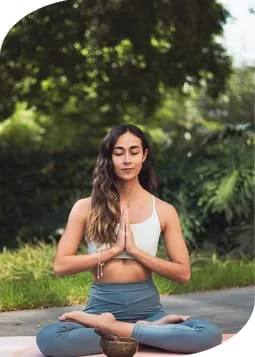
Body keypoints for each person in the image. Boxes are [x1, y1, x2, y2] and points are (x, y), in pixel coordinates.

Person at [36, 124, 222, 356]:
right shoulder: (85, 207)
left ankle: (114, 331)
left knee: (209, 334)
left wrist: (135, 251)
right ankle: (149, 335)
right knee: (50, 339)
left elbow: (183, 274)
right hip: (99, 310)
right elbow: (61, 266)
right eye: (118, 152)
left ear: (144, 155)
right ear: (109, 157)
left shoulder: (163, 210)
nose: (127, 159)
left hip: (149, 311)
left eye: (134, 152)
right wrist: (113, 251)